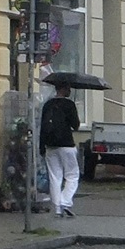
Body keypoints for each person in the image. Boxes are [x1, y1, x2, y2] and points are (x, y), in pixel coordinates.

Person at [40, 84, 81, 217]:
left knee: (55, 177)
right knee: (72, 175)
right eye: (68, 88)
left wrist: (42, 147)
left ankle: (57, 208)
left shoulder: (47, 105)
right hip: (67, 145)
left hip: (50, 146)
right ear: (63, 89)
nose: (70, 90)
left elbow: (42, 127)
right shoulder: (69, 105)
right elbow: (76, 125)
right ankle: (65, 201)